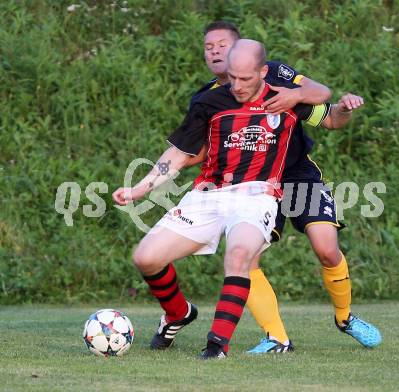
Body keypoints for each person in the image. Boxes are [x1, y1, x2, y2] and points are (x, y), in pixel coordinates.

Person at [113, 38, 367, 359]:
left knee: (240, 255)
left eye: (245, 78)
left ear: (264, 71)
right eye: (232, 77)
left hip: (257, 196)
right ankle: (178, 313)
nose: (236, 85)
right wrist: (141, 188)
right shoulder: (209, 102)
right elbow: (180, 153)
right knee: (146, 257)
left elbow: (331, 117)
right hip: (208, 194)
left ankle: (217, 346)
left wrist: (344, 108)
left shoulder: (285, 98)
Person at [186, 21, 382, 353]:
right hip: (252, 186)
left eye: (223, 44)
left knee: (327, 247)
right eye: (209, 46)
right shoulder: (206, 100)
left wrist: (327, 105)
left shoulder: (275, 79)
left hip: (296, 174)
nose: (216, 51)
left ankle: (345, 317)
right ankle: (278, 338)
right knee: (246, 259)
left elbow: (330, 116)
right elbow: (200, 149)